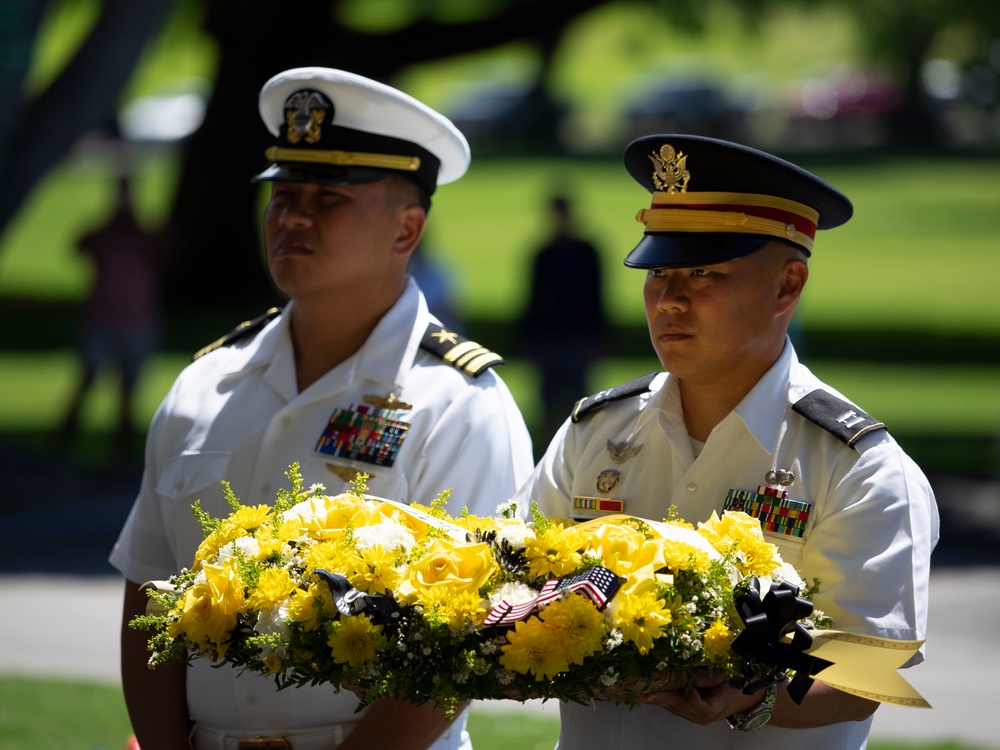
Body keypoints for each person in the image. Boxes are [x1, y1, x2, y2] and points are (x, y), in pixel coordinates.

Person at [110, 67, 534, 750]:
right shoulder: (204, 386)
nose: (293, 216)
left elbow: (469, 637)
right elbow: (150, 596)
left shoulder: (457, 403)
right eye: (283, 194)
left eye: (329, 199)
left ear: (406, 230)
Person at [510, 134, 939, 750]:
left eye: (705, 272)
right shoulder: (594, 434)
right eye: (658, 272)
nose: (670, 299)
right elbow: (511, 584)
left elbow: (872, 669)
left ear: (788, 286)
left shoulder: (857, 467)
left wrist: (756, 694)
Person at [58, 173, 166, 466]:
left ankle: (121, 457)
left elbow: (167, 251)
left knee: (128, 392)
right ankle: (62, 447)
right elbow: (79, 245)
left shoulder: (143, 236)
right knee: (87, 381)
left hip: (135, 320)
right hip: (104, 319)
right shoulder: (104, 235)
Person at [520, 194, 607, 446]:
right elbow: (533, 300)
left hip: (578, 337)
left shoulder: (584, 253)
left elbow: (598, 296)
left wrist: (599, 336)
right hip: (550, 338)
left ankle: (581, 447)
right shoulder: (545, 254)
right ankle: (554, 447)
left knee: (582, 402)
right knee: (548, 402)